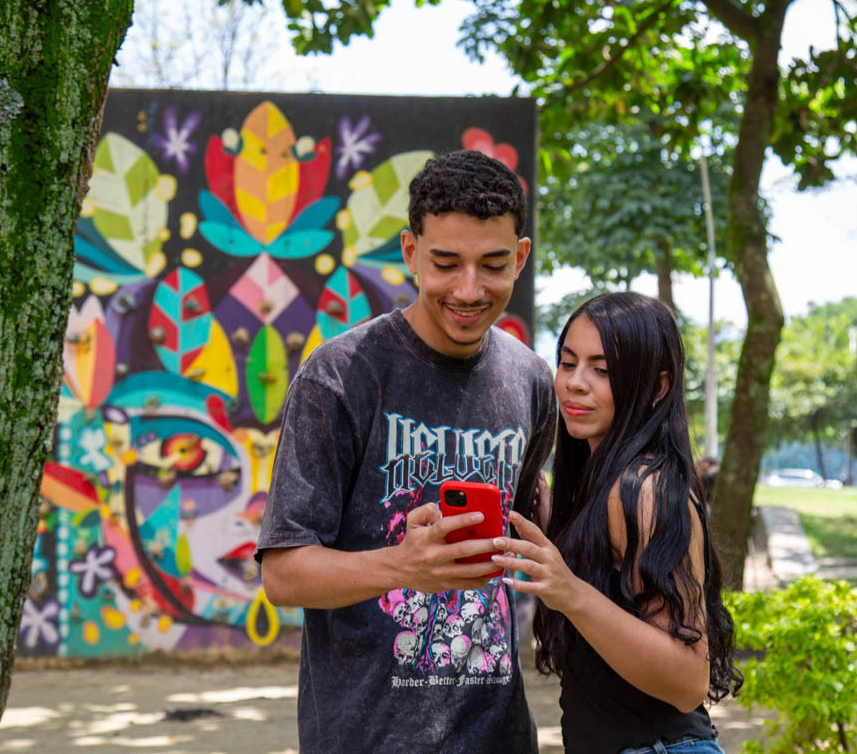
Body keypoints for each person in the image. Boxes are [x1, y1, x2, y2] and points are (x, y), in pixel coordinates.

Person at [256, 149, 557, 753]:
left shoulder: (531, 380)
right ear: (410, 252)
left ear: (520, 257)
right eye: (446, 263)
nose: (469, 290)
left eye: (493, 264)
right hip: (366, 738)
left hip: (500, 735)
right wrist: (404, 566)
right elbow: (283, 574)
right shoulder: (338, 376)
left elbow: (529, 534)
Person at [491, 292, 743, 754]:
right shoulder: (599, 482)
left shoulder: (643, 488)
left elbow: (689, 679)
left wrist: (571, 592)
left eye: (601, 370)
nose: (575, 383)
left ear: (658, 387)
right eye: (567, 363)